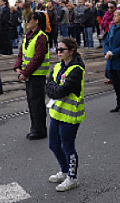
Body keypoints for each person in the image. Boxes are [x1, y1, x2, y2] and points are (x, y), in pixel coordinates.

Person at [46, 37, 85, 192]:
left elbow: (62, 90)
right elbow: (49, 86)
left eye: (62, 50)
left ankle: (72, 177)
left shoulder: (77, 69)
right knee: (53, 144)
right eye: (57, 49)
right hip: (56, 112)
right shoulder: (58, 66)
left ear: (72, 51)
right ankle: (64, 170)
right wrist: (53, 89)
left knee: (68, 146)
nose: (59, 52)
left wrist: (54, 90)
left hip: (70, 115)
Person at [14, 11, 49, 140]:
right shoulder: (28, 36)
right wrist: (18, 66)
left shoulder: (41, 37)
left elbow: (38, 58)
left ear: (37, 21)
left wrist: (24, 73)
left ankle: (40, 129)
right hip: (30, 75)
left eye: (29, 19)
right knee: (32, 103)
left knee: (37, 103)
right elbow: (21, 53)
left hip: (37, 75)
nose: (27, 22)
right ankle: (34, 127)